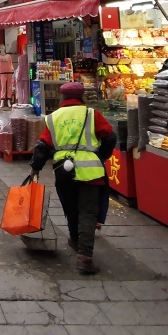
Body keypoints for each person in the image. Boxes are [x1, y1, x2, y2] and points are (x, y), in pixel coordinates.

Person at [30, 82, 115, 274]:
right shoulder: (92, 114)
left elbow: (43, 145)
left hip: (63, 172)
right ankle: (85, 256)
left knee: (71, 208)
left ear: (62, 97)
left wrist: (35, 168)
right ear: (81, 96)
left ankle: (76, 240)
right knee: (88, 212)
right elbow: (110, 137)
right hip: (91, 173)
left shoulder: (53, 117)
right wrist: (102, 155)